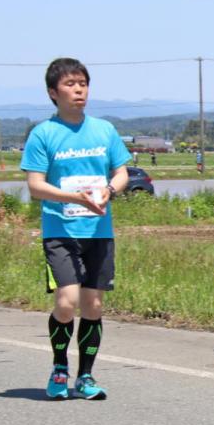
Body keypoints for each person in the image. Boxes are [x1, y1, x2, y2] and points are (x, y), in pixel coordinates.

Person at [21, 58, 131, 400]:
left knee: (93, 306)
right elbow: (35, 186)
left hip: (99, 231)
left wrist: (110, 191)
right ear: (53, 93)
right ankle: (58, 368)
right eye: (70, 84)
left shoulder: (104, 130)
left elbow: (122, 173)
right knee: (67, 303)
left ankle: (85, 376)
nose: (79, 89)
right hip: (61, 230)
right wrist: (75, 198)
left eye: (83, 83)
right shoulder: (44, 134)